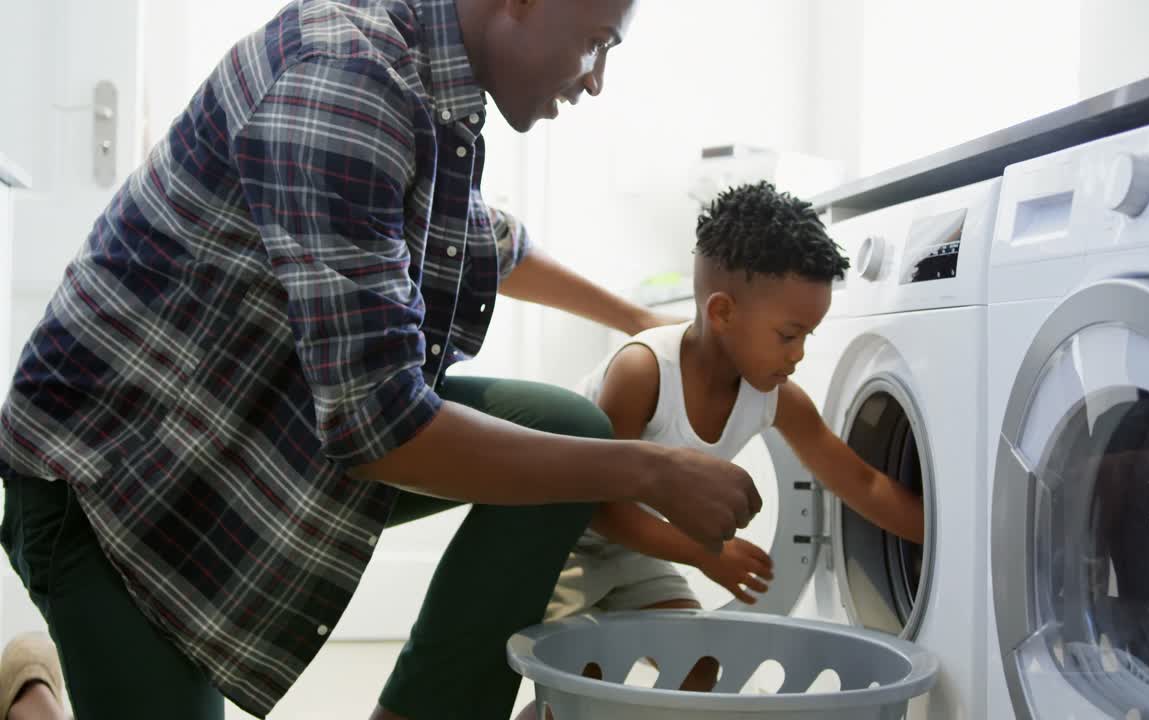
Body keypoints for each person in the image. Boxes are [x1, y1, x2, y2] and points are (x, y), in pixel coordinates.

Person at [0, 1, 762, 719]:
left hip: (258, 423)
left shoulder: (426, 77)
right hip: (117, 474)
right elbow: (380, 429)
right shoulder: (348, 82)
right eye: (597, 41)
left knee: (571, 429)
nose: (596, 78)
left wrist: (638, 319)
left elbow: (477, 236)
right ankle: (27, 688)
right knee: (593, 455)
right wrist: (652, 472)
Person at [538, 181, 925, 693]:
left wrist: (946, 539)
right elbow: (601, 509)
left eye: (807, 335)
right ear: (722, 313)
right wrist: (707, 554)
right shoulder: (643, 371)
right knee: (580, 681)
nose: (799, 354)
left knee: (699, 669)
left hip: (634, 550)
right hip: (560, 540)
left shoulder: (775, 395)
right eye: (788, 335)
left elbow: (858, 480)